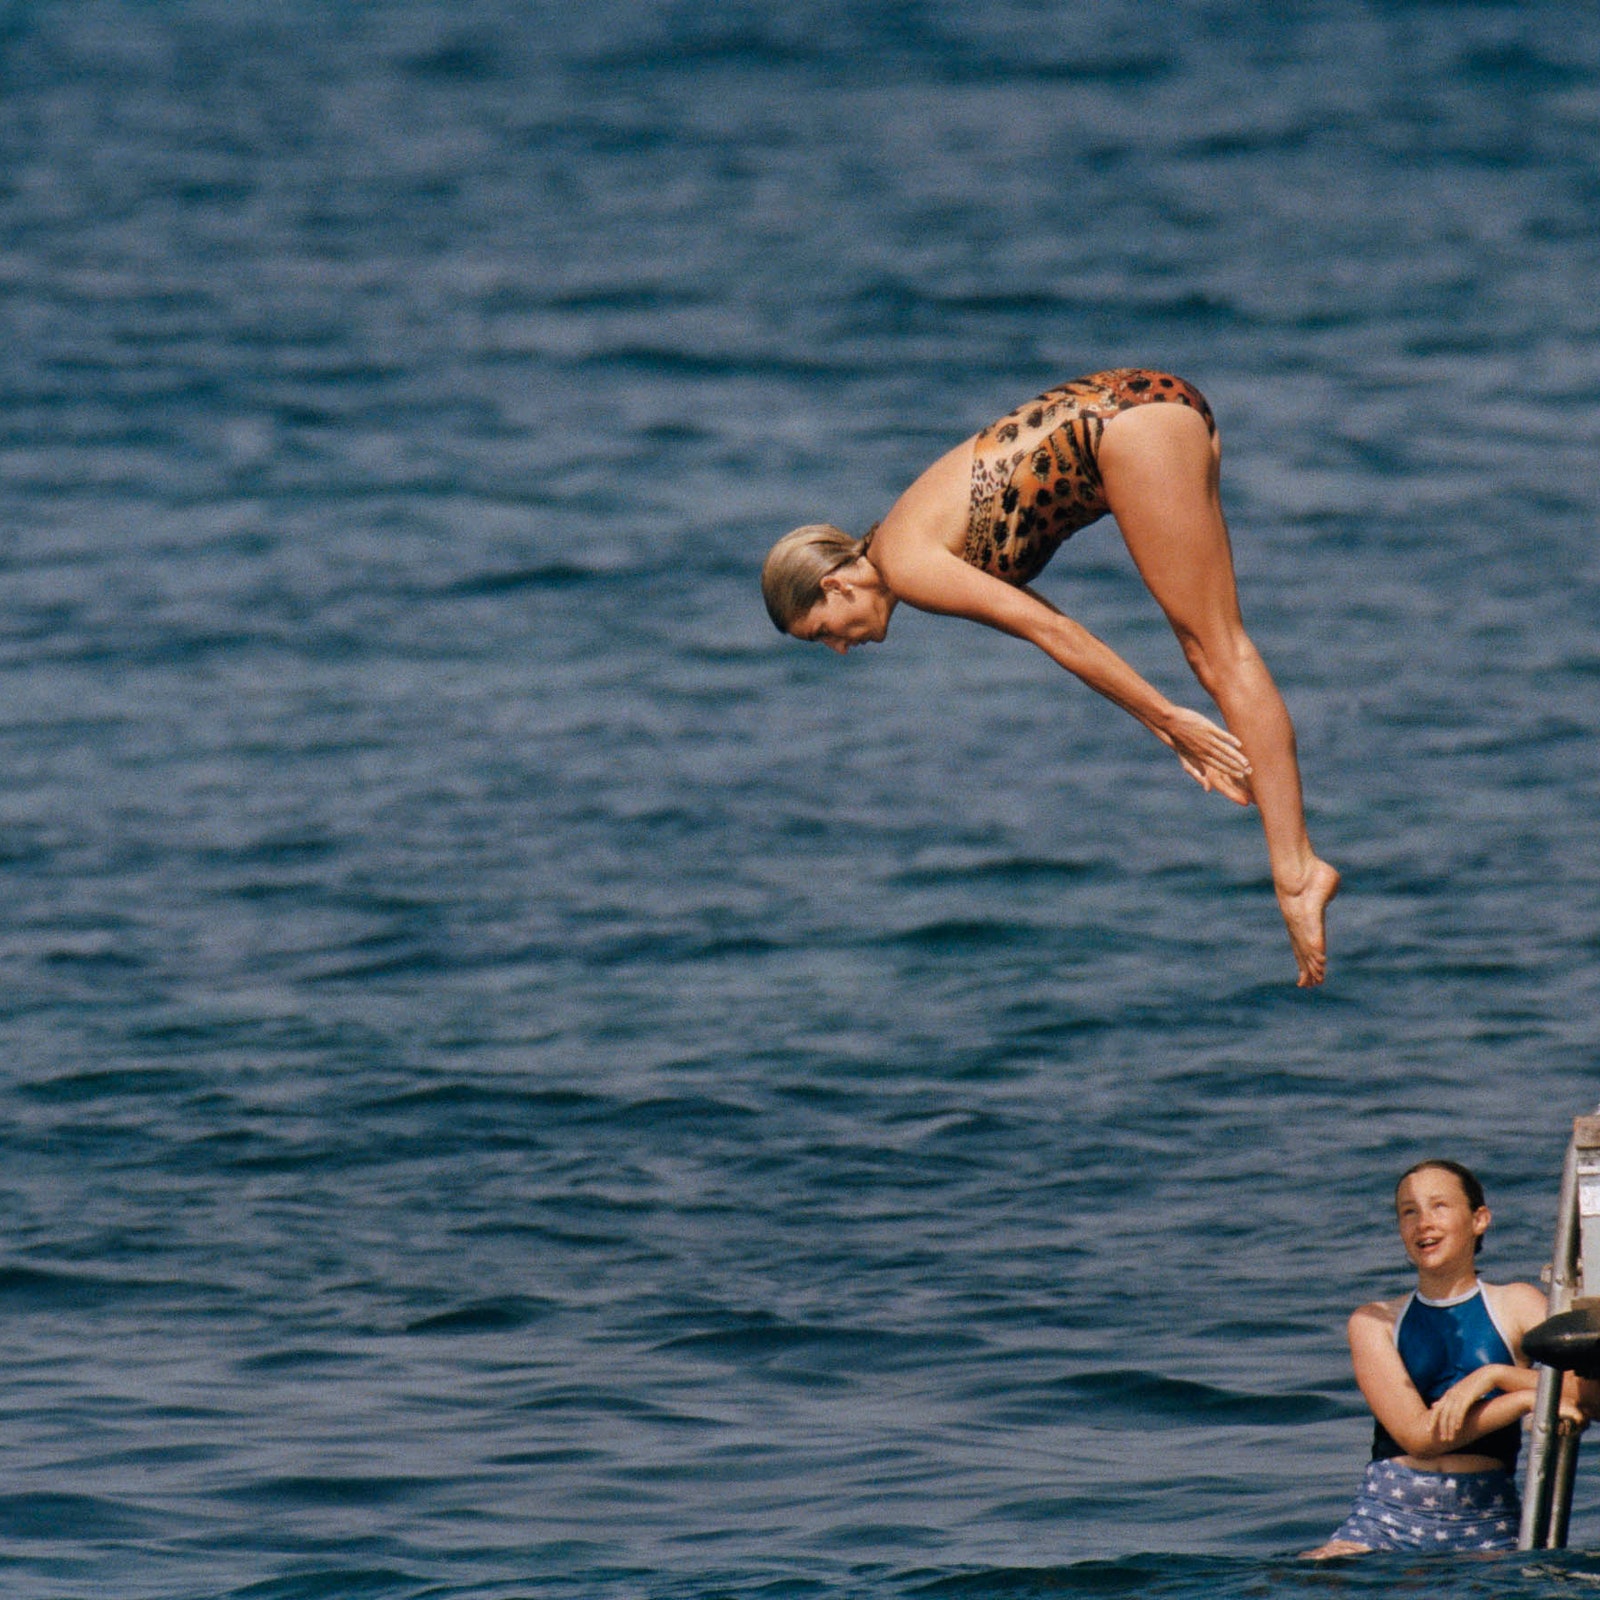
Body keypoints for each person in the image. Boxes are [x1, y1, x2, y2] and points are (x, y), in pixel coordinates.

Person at [761, 370, 1339, 986]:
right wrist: (1164, 726)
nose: (839, 648)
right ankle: (1295, 865)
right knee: (1212, 653)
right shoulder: (903, 542)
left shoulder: (906, 566)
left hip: (1125, 430)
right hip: (1154, 408)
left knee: (1221, 654)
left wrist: (1170, 720)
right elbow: (1057, 625)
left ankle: (1297, 873)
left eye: (823, 631)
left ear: (835, 584)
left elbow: (1055, 635)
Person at [1302, 1159, 1594, 1559]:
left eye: (1439, 1206)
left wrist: (1494, 1375)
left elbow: (1590, 1396)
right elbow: (1419, 1437)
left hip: (1487, 1521)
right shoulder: (1375, 1322)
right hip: (1386, 1517)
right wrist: (1525, 1399)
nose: (1424, 1222)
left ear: (1479, 1220)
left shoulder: (1515, 1304)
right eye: (1409, 1211)